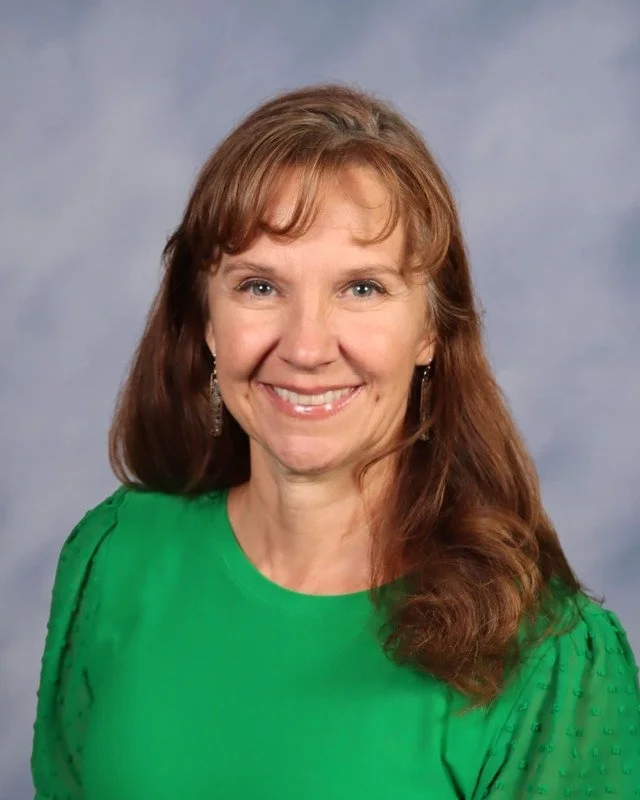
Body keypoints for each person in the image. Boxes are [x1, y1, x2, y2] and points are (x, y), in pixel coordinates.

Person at [31, 84, 640, 800]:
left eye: (362, 288)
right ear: (202, 320)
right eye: (259, 286)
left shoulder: (546, 657)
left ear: (431, 331)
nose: (308, 347)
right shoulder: (115, 557)